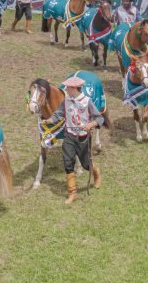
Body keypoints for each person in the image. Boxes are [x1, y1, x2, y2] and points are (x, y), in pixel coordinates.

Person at [40, 76, 104, 204]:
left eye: (68, 87)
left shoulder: (87, 101)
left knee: (86, 164)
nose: (66, 89)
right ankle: (72, 193)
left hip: (83, 137)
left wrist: (91, 125)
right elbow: (59, 114)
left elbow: (99, 118)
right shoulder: (66, 100)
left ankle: (95, 172)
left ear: (74, 88)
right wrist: (49, 120)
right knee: (68, 162)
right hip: (69, 136)